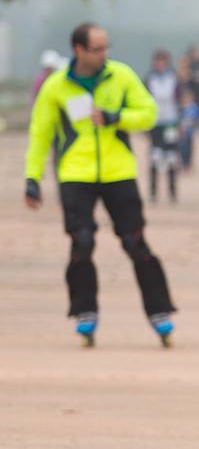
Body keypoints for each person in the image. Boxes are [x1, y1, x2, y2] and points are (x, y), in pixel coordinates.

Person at [25, 23, 177, 347]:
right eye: (97, 49)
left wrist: (116, 117)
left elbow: (149, 114)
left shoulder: (121, 75)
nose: (104, 54)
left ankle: (159, 312)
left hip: (118, 172)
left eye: (106, 47)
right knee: (81, 242)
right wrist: (32, 178)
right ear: (78, 50)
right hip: (75, 174)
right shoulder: (56, 86)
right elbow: (40, 133)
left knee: (135, 242)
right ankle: (85, 312)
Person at [144, 49, 183, 204]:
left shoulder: (174, 79)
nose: (160, 65)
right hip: (155, 123)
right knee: (155, 157)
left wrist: (179, 123)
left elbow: (180, 101)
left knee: (171, 158)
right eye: (157, 62)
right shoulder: (150, 79)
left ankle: (172, 192)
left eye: (163, 62)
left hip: (171, 122)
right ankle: (153, 192)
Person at [178, 86, 199, 172]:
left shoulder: (194, 107)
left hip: (190, 132)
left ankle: (188, 164)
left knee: (190, 149)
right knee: (182, 149)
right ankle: (183, 164)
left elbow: (198, 117)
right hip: (182, 132)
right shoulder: (181, 108)